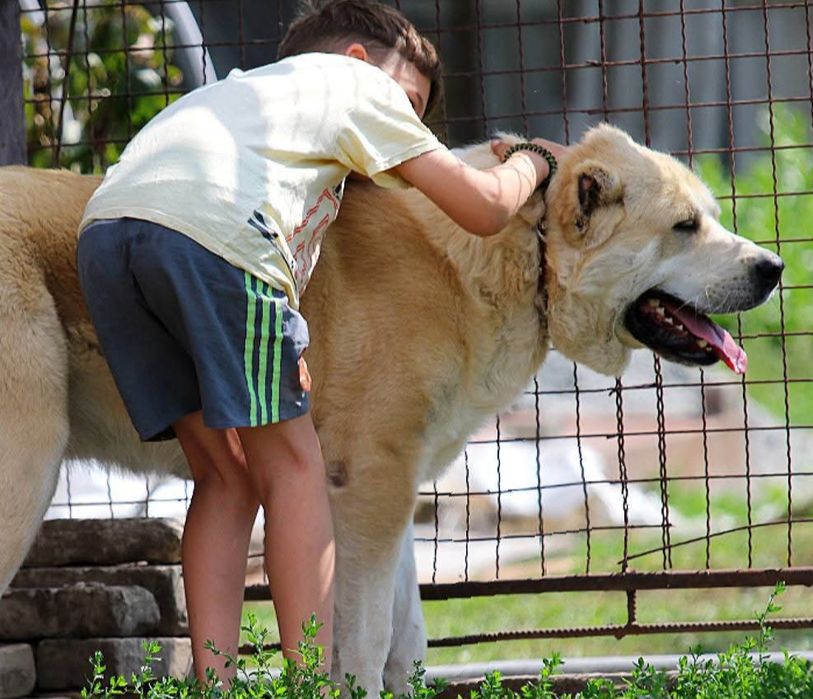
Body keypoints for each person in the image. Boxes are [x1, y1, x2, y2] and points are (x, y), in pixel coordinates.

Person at [76, 0, 565, 684]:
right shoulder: (357, 85)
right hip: (215, 238)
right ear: (361, 63)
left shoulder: (245, 95)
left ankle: (212, 682)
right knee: (297, 469)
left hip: (107, 234)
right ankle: (314, 681)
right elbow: (483, 206)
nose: (412, 128)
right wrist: (534, 161)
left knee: (225, 474)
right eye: (412, 104)